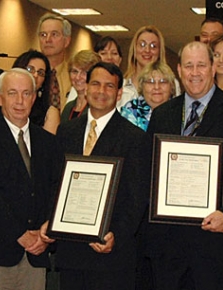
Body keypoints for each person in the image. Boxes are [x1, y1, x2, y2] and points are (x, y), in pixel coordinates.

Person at [146, 41, 223, 290]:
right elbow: (149, 173)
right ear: (179, 69)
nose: (195, 72)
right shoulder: (162, 115)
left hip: (218, 244)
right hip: (169, 246)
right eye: (189, 66)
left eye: (201, 65)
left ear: (213, 68)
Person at [51, 62, 149, 290]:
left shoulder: (134, 138)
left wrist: (118, 234)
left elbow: (137, 198)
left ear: (119, 93)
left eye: (109, 86)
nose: (101, 91)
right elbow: (55, 183)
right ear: (85, 87)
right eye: (95, 84)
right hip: (71, 252)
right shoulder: (66, 131)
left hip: (110, 253)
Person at [0, 68, 62, 290]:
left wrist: (48, 228)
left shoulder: (48, 142)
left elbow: (57, 188)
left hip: (36, 253)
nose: (20, 101)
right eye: (12, 93)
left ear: (35, 98)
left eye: (27, 93)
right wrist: (20, 235)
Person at [122, 26, 171, 109]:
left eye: (153, 46)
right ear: (134, 49)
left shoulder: (171, 83)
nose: (147, 50)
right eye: (142, 45)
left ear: (160, 51)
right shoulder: (121, 86)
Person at [12, 50, 60, 134]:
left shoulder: (50, 113)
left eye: (41, 73)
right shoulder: (3, 107)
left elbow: (48, 145)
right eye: (30, 69)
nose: (35, 75)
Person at [119, 61, 176, 131]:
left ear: (172, 86)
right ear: (142, 86)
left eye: (163, 81)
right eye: (150, 82)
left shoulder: (180, 110)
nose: (157, 87)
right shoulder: (132, 109)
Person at [38, 13, 73, 110]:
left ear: (66, 41)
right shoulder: (31, 74)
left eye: (54, 34)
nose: (48, 40)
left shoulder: (75, 76)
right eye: (43, 35)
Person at [61, 50, 101, 122]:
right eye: (74, 71)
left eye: (84, 72)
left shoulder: (97, 107)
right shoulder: (68, 107)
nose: (78, 77)